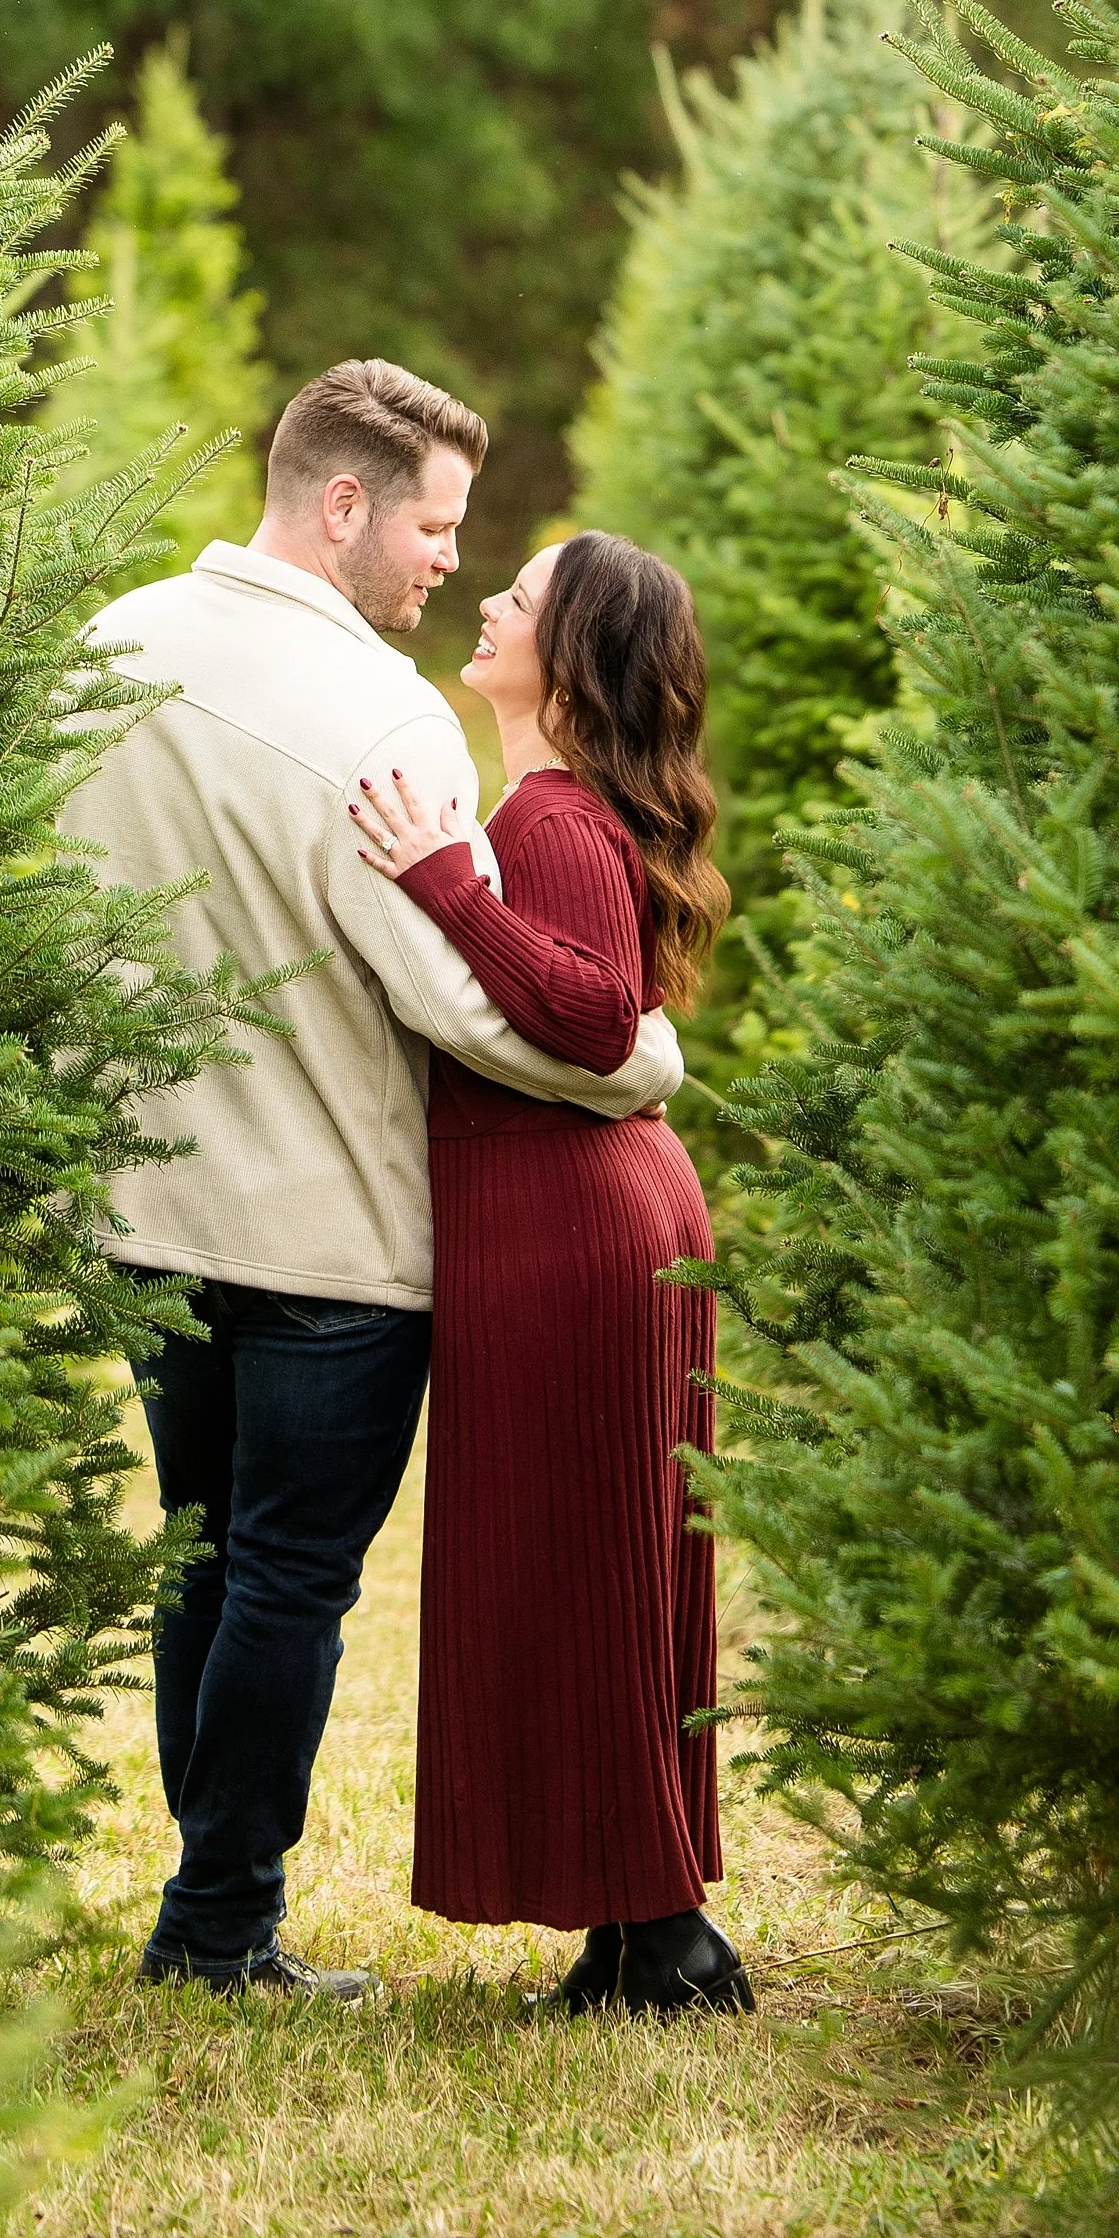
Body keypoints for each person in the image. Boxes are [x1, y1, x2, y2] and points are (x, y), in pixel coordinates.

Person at [63, 360, 683, 2002]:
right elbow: (483, 1013)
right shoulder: (378, 718)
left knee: (199, 1550)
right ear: (344, 505)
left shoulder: (107, 646)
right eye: (432, 523)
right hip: (328, 1234)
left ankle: (207, 1904)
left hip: (143, 1207)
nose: (442, 563)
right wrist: (647, 1064)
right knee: (286, 1574)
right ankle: (217, 1927)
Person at [348, 528, 752, 2017]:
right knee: (602, 1567)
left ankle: (670, 1938)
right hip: (582, 1217)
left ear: (570, 657)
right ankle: (637, 1928)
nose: (490, 600)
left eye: (519, 594)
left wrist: (452, 884)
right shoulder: (556, 807)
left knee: (591, 1566)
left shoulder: (553, 820)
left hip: (580, 1229)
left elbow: (592, 1016)